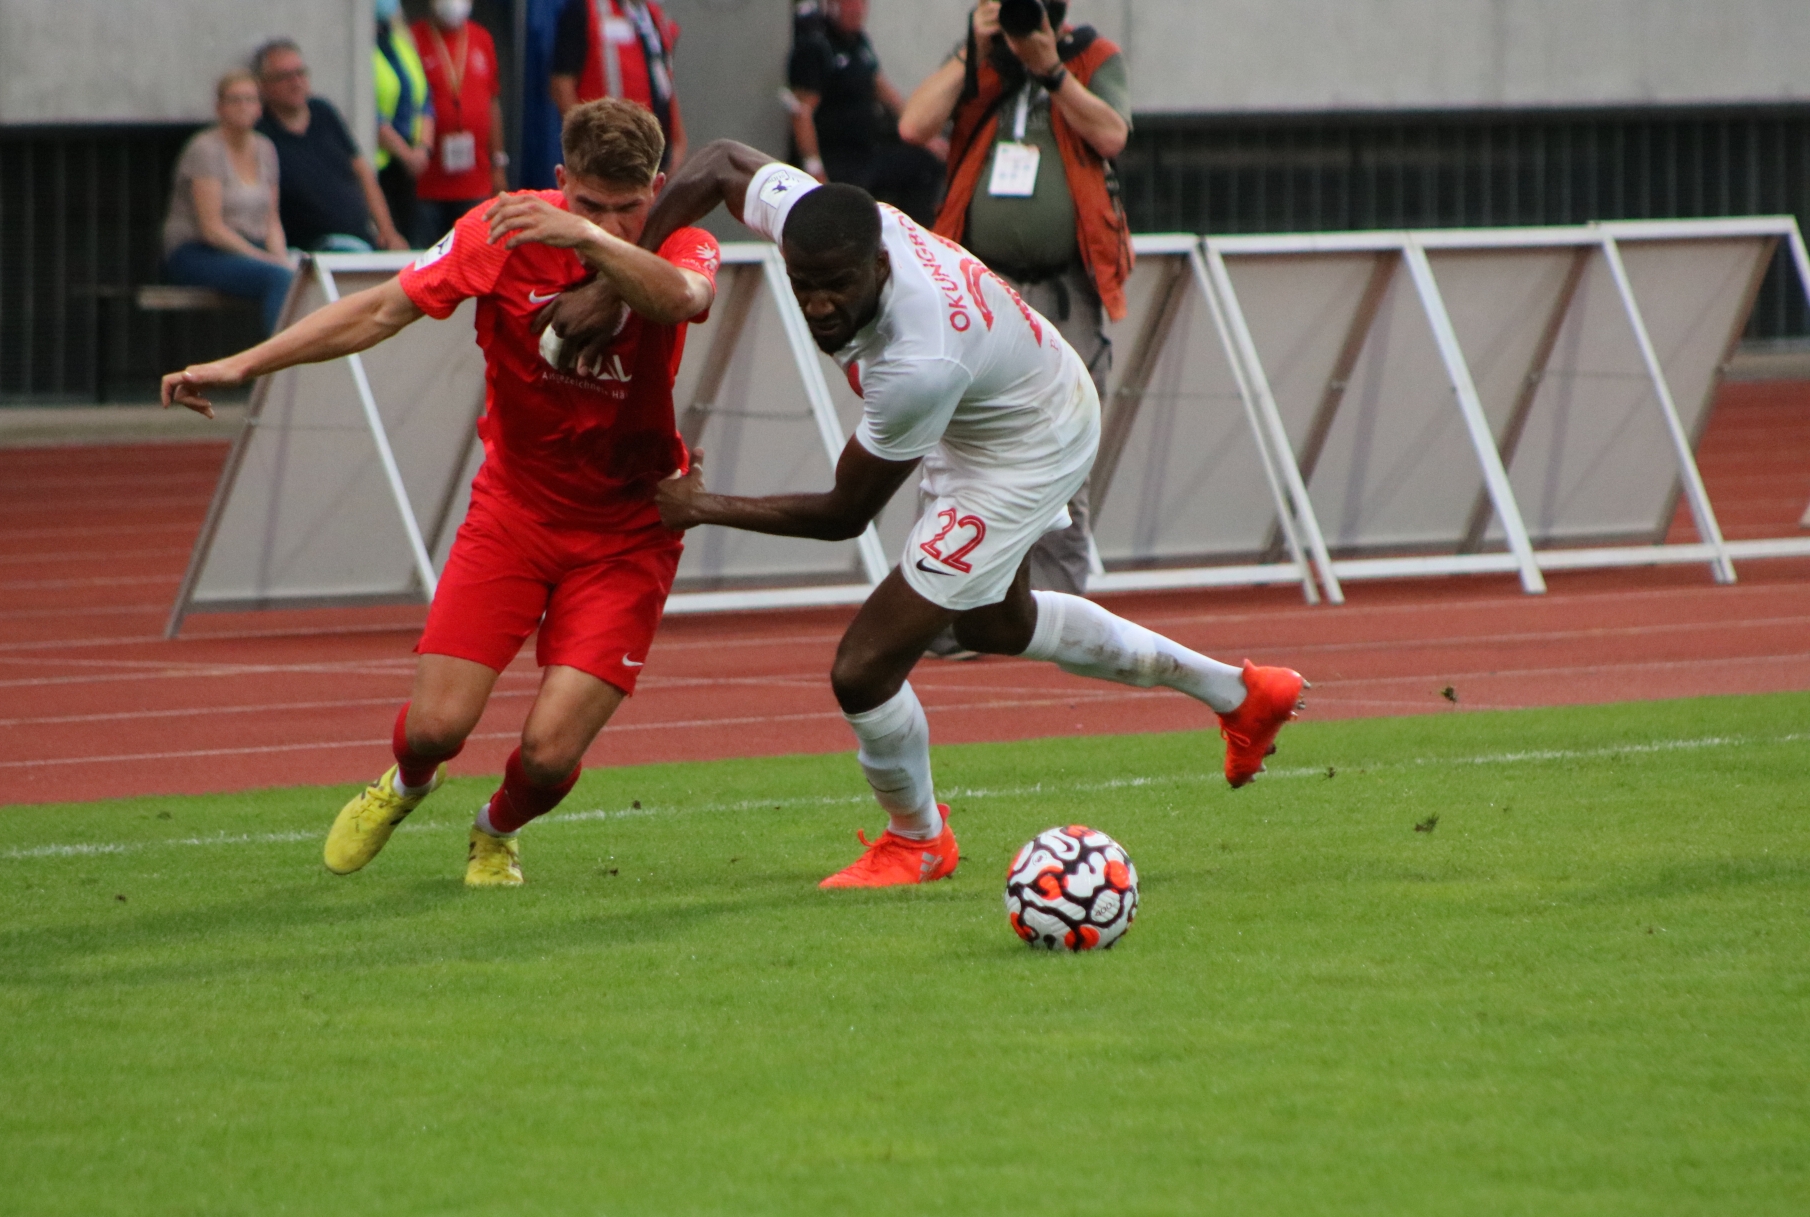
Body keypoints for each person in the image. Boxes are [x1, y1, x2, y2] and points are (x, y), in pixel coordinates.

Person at [507, 140, 1305, 888]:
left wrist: (701, 506)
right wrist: (614, 283)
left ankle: (918, 840)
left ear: (881, 264)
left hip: (1028, 446)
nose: (820, 305)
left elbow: (844, 513)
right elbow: (718, 163)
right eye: (804, 284)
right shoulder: (820, 219)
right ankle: (1242, 696)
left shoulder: (917, 362)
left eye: (838, 286)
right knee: (995, 622)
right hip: (1001, 399)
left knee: (863, 667)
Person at [159, 99, 720, 887]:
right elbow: (380, 310)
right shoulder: (503, 228)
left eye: (628, 208)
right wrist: (243, 365)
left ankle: (496, 831)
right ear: (560, 180)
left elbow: (684, 299)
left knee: (549, 752)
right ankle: (406, 784)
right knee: (435, 727)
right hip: (515, 511)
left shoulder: (680, 241)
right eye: (589, 204)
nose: (609, 221)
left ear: (656, 191)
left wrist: (589, 238)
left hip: (629, 528)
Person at [900, 0, 1132, 613]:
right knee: (956, 446)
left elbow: (1112, 134)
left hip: (1064, 290)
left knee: (1066, 443)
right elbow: (913, 127)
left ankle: (1056, 612)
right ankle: (944, 607)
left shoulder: (1091, 56)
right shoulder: (979, 61)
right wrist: (971, 51)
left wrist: (1052, 69)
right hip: (980, 290)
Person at [161, 70, 297, 334]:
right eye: (235, 100)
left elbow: (271, 220)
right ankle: (282, 355)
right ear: (220, 107)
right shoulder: (205, 149)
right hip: (198, 251)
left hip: (250, 247)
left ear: (260, 107)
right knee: (279, 277)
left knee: (303, 274)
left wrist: (280, 257)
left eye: (250, 99)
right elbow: (211, 229)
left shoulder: (266, 149)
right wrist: (267, 261)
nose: (243, 107)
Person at [785, 0, 944, 226]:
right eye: (849, 4)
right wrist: (815, 169)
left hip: (868, 151)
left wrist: (921, 135)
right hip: (837, 160)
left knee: (926, 165)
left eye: (861, 3)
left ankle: (912, 234)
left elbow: (882, 89)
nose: (857, 9)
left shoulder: (858, 41)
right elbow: (801, 113)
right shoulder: (815, 47)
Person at [253, 38, 408, 252]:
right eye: (284, 77)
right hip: (310, 246)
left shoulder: (323, 112)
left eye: (300, 73)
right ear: (263, 85)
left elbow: (363, 173)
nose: (296, 82)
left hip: (360, 238)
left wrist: (388, 231)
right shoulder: (260, 133)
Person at [550, 0, 689, 174]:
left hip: (653, 159)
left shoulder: (652, 15)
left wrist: (677, 144)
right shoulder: (584, 8)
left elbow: (664, 83)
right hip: (604, 159)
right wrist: (588, 149)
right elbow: (561, 87)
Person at [412, 0, 510, 247]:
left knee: (474, 252)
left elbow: (491, 103)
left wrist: (498, 162)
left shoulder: (481, 38)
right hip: (427, 183)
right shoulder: (413, 39)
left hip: (475, 179)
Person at [375, 0, 436, 247]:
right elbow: (371, 114)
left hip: (409, 165)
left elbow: (424, 100)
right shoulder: (363, 50)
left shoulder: (401, 43)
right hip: (381, 164)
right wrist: (405, 154)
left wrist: (423, 149)